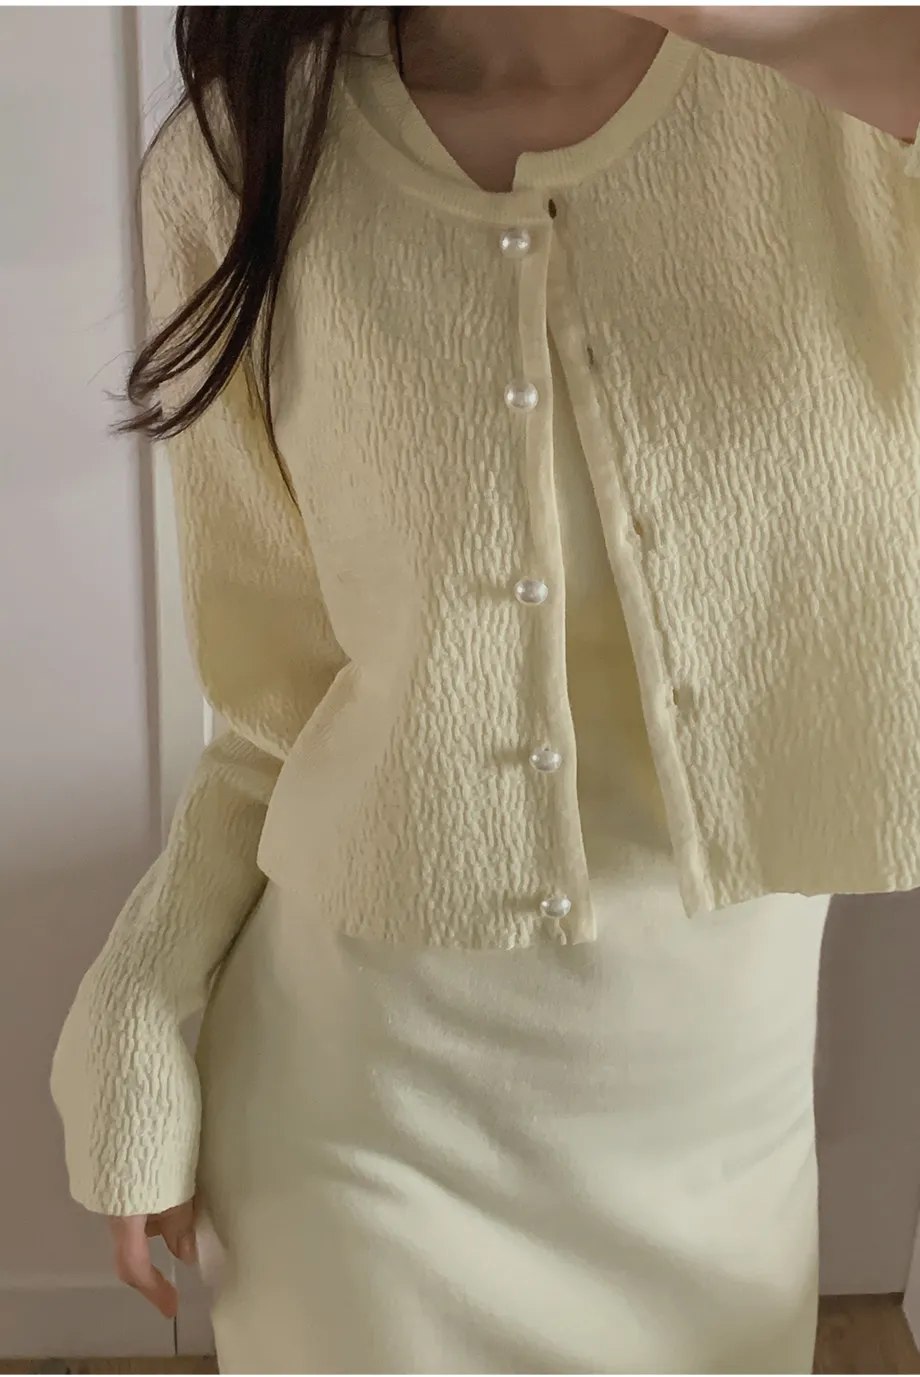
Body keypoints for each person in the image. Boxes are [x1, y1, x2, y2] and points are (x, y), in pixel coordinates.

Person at [51, 6, 920, 1373]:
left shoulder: (855, 115)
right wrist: (139, 1006)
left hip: (723, 1168)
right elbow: (278, 714)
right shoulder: (243, 159)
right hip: (362, 1152)